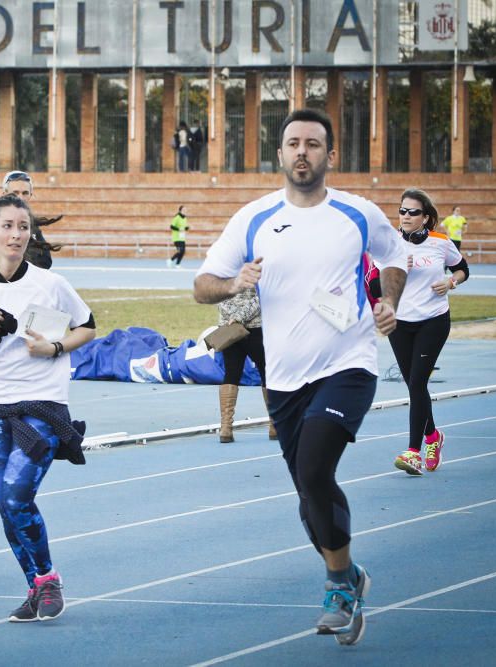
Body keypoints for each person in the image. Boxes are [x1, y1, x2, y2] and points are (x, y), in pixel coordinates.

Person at [194, 109, 408, 645]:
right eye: (293, 143)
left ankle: (338, 584)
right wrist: (234, 282)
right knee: (307, 495)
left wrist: (387, 300)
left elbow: (395, 255)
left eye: (313, 144)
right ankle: (353, 574)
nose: (302, 152)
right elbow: (202, 284)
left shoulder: (356, 214)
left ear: (329, 155)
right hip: (284, 378)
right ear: (281, 153)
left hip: (348, 364)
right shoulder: (254, 218)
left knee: (315, 471)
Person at [0, 194, 96, 622]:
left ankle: (48, 578)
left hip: (43, 405)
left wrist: (54, 345)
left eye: (23, 226)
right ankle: (35, 585)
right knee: (3, 502)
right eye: (8, 226)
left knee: (17, 494)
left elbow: (88, 327)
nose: (16, 234)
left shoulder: (51, 285)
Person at [389, 189, 469, 476]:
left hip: (433, 320)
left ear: (425, 218)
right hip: (399, 322)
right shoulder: (390, 245)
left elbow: (462, 269)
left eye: (413, 212)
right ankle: (433, 436)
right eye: (402, 211)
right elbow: (375, 288)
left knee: (417, 381)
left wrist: (450, 283)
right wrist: (397, 270)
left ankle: (413, 452)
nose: (406, 216)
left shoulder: (440, 243)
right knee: (414, 385)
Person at [213, 289, 276, 442]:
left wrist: (235, 317)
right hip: (256, 326)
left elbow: (218, 295)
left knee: (231, 374)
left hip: (228, 327)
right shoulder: (259, 265)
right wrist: (240, 317)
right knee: (267, 372)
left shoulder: (223, 267)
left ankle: (226, 428)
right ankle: (275, 425)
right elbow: (262, 296)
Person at [0, 171, 62, 270]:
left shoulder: (31, 224)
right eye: (15, 193)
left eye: (25, 193)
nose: (20, 197)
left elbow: (46, 261)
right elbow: (0, 265)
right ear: (4, 194)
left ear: (30, 195)